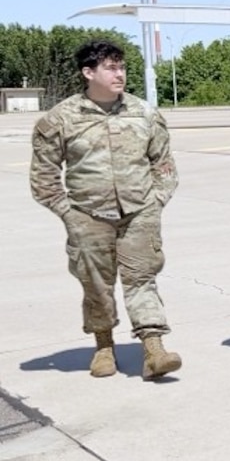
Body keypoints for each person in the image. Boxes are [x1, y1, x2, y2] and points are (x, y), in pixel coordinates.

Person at [29, 39, 182, 380]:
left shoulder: (144, 113)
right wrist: (70, 214)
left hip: (140, 212)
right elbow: (43, 179)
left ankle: (154, 348)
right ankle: (103, 345)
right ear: (88, 72)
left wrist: (156, 202)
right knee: (96, 285)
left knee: (142, 279)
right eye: (111, 68)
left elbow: (164, 165)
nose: (120, 74)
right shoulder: (60, 119)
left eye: (122, 67)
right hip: (87, 215)